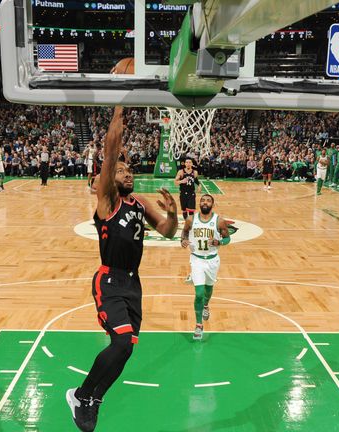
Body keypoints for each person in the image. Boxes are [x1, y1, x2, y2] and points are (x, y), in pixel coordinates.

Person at [66, 107, 178, 432]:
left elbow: (168, 231)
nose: (127, 174)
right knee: (122, 342)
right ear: (108, 178)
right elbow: (111, 148)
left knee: (125, 350)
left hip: (133, 284)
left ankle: (94, 398)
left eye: (129, 171)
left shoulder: (139, 203)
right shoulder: (108, 201)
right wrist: (119, 110)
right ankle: (80, 394)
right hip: (109, 279)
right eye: (120, 171)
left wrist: (172, 214)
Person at [180, 194, 230, 340]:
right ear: (199, 204)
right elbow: (184, 232)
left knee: (208, 289)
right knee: (199, 293)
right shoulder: (191, 219)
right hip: (196, 260)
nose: (205, 202)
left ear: (212, 205)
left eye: (208, 201)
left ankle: (206, 306)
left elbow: (227, 238)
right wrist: (183, 240)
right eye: (202, 200)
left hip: (212, 261)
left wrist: (219, 242)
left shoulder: (219, 221)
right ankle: (198, 325)